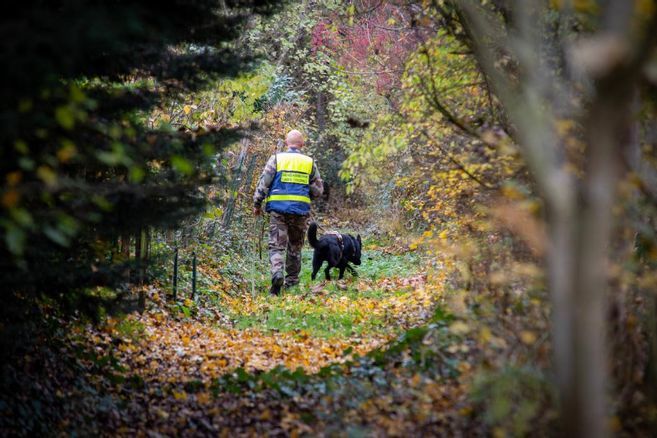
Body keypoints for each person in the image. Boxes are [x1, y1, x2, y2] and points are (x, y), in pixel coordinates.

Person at [253, 130, 323, 295]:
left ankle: (277, 273)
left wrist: (257, 203)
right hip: (300, 212)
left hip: (278, 211)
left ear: (286, 143)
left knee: (276, 246)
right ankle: (291, 281)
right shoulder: (309, 162)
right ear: (302, 144)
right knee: (295, 247)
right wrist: (306, 193)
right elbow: (318, 190)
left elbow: (264, 183)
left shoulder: (277, 159)